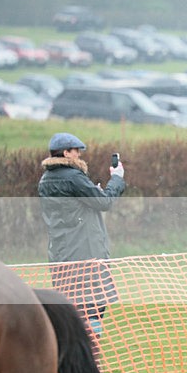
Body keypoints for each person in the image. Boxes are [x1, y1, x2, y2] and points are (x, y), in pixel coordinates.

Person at [38, 132, 126, 336]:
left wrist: (91, 194)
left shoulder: (45, 179)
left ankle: (74, 348)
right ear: (65, 153)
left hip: (60, 254)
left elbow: (70, 209)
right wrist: (117, 179)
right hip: (85, 253)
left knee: (70, 306)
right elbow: (105, 203)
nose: (79, 154)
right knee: (94, 307)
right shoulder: (74, 177)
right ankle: (89, 350)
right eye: (76, 150)